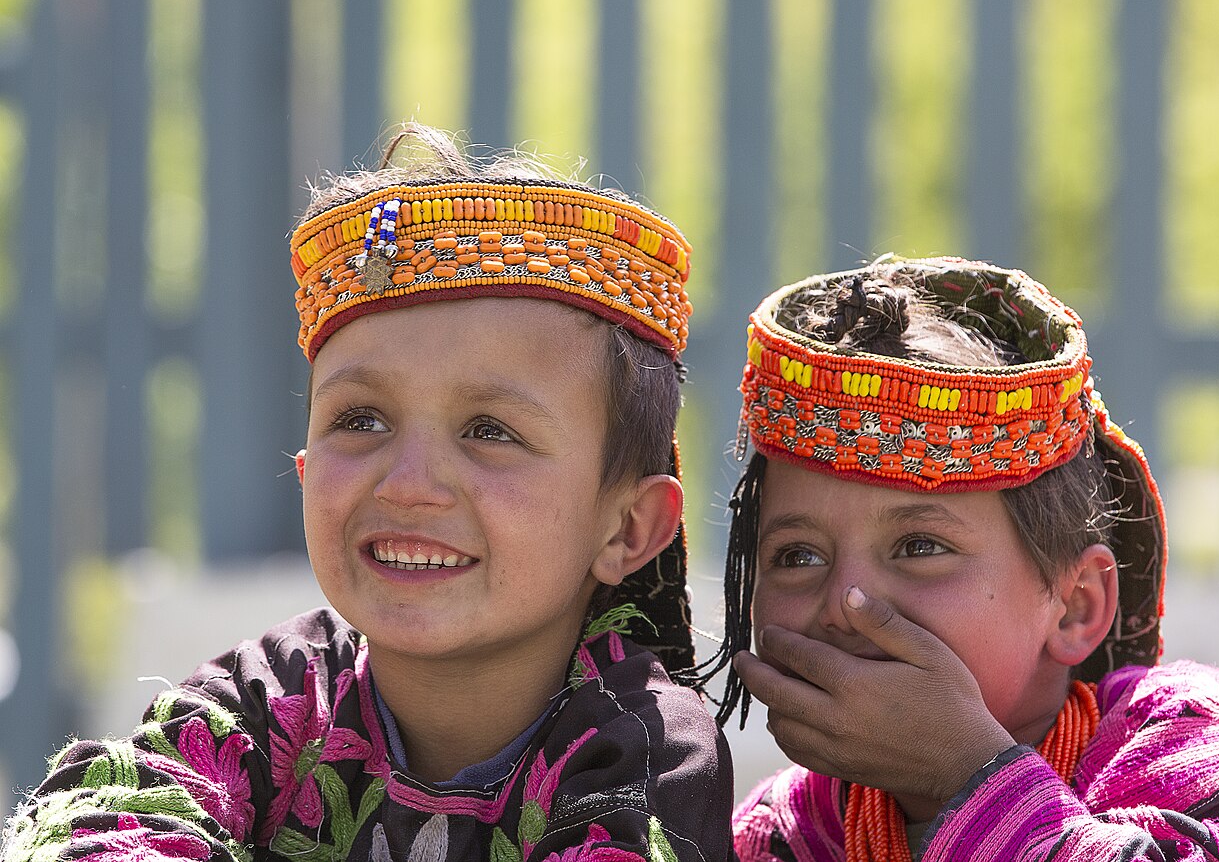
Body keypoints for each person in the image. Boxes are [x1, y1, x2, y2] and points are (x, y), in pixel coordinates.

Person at [3, 126, 733, 862]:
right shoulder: (266, 699)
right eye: (360, 420)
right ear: (305, 469)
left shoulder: (640, 747)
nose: (408, 483)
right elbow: (100, 823)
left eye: (489, 430)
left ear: (628, 529)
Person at [712, 256, 1219, 861]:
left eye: (920, 547)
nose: (847, 604)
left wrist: (968, 775)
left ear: (1075, 608)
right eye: (797, 556)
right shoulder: (781, 836)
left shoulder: (1190, 748)